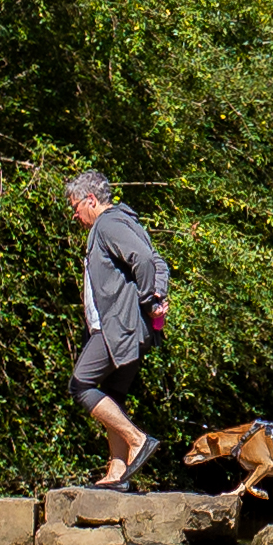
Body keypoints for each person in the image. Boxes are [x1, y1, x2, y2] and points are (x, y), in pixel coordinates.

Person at [64, 170, 174, 486]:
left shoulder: (107, 224)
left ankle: (137, 440)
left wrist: (146, 298)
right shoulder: (128, 222)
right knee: (112, 393)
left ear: (90, 200)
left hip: (117, 328)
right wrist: (155, 298)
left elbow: (144, 259)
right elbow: (159, 263)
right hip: (129, 328)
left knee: (81, 385)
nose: (75, 214)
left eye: (76, 206)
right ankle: (117, 472)